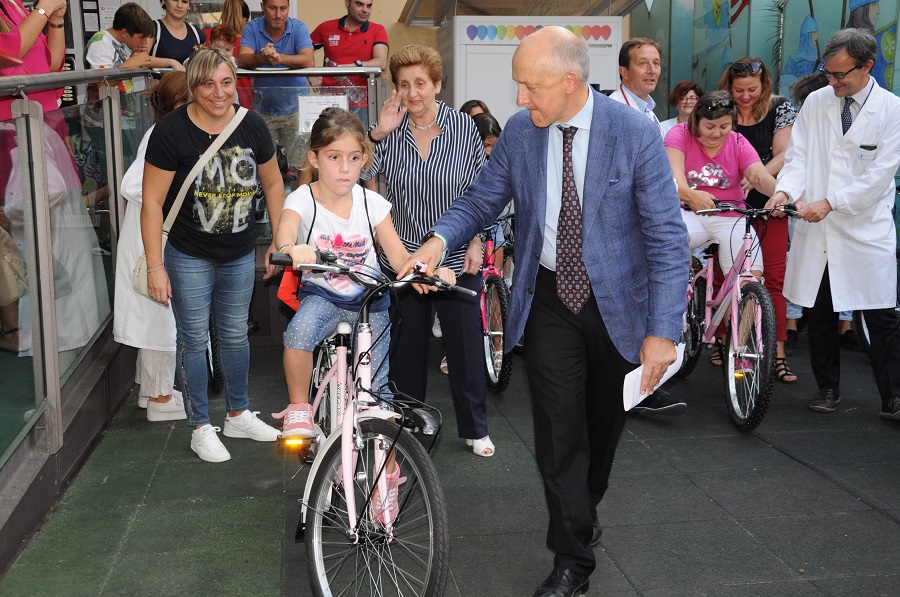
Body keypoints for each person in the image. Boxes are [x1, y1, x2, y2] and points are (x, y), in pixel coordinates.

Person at [400, 26, 689, 596]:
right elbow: (482, 198)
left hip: (617, 307)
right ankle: (572, 561)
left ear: (569, 81)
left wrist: (663, 331)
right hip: (550, 297)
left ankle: (581, 510)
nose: (520, 99)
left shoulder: (633, 133)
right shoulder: (520, 133)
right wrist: (437, 241)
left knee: (602, 430)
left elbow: (666, 237)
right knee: (558, 434)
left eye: (529, 87)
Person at [271, 107, 455, 437]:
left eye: (354, 158)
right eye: (334, 157)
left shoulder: (372, 203)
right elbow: (286, 230)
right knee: (298, 334)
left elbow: (400, 257)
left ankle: (383, 465)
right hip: (323, 295)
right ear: (314, 158)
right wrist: (290, 249)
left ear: (364, 158)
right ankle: (299, 408)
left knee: (376, 390)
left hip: (371, 302)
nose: (345, 168)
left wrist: (432, 270)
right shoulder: (303, 199)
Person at [141, 47, 286, 462]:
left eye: (226, 82)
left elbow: (274, 184)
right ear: (192, 87)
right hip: (188, 253)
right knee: (193, 338)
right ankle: (200, 425)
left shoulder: (251, 124)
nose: (219, 93)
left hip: (239, 252)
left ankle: (238, 414)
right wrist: (155, 265)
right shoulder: (170, 132)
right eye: (208, 84)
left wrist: (280, 238)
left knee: (235, 335)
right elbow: (152, 203)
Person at [365, 44, 495, 457]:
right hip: (403, 258)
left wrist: (477, 239)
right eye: (404, 85)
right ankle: (410, 426)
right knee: (407, 348)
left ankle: (475, 428)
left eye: (421, 83)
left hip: (456, 254)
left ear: (438, 84)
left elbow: (482, 190)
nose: (413, 92)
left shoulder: (463, 127)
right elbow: (353, 174)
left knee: (465, 348)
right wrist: (378, 133)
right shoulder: (390, 132)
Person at [767, 28, 900, 419]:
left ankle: (893, 395)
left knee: (882, 316)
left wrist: (831, 202)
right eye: (829, 73)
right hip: (817, 226)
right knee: (821, 312)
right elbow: (799, 158)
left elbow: (880, 177)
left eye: (841, 75)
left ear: (867, 66)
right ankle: (827, 388)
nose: (833, 81)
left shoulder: (891, 110)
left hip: (864, 228)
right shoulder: (817, 103)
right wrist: (785, 193)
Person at [717, 57, 799, 382]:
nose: (745, 96)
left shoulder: (780, 107)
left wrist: (755, 175)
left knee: (774, 281)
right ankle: (725, 343)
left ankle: (777, 353)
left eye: (752, 89)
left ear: (764, 84)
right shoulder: (721, 107)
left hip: (770, 203)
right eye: (739, 90)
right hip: (728, 205)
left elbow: (784, 153)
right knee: (728, 277)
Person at [114, 71, 189, 422]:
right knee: (160, 317)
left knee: (154, 316)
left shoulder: (159, 131)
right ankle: (160, 397)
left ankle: (151, 392)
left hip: (148, 235)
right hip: (152, 239)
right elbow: (134, 185)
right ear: (180, 104)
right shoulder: (164, 133)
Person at [237, 0, 314, 171]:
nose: (278, 15)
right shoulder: (252, 27)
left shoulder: (298, 27)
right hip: (263, 111)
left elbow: (309, 60)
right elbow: (241, 59)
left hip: (295, 111)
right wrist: (263, 58)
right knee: (264, 167)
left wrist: (278, 58)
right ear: (263, 7)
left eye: (283, 8)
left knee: (297, 167)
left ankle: (296, 198)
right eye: (272, 8)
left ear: (288, 8)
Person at [309, 0, 388, 120]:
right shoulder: (326, 27)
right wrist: (310, 75)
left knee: (361, 139)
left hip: (362, 104)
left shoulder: (377, 29)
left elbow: (381, 63)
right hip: (330, 101)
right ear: (347, 3)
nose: (365, 10)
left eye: (369, 6)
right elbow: (301, 52)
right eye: (359, 4)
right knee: (330, 139)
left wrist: (355, 67)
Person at [0, 0, 67, 121]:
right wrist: (44, 8)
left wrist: (56, 19)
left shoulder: (16, 6)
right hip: (14, 121)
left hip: (42, 113)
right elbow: (6, 56)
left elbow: (52, 65)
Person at [609, 37, 663, 130]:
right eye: (643, 63)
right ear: (624, 72)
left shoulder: (647, 107)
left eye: (655, 63)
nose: (652, 70)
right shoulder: (612, 112)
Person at [150, 0, 205, 65]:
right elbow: (141, 59)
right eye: (175, 0)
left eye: (184, 1)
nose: (179, 5)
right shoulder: (153, 29)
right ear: (164, 1)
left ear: (189, 5)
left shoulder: (197, 33)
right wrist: (172, 63)